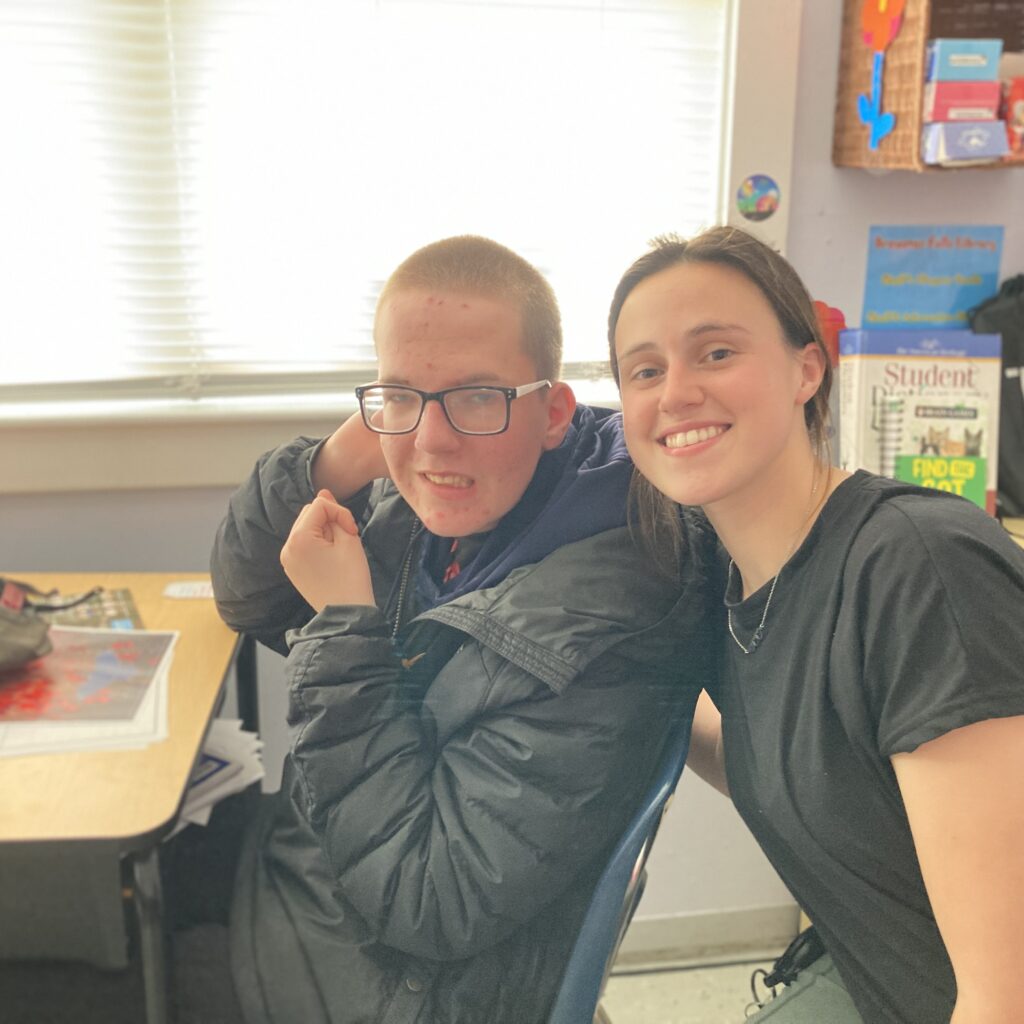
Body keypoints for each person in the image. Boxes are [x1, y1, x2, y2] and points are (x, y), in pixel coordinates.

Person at [207, 235, 716, 1024]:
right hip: (329, 872)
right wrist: (346, 458)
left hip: (416, 983)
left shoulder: (604, 619)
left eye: (478, 397)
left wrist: (346, 626)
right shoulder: (438, 508)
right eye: (401, 395)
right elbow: (244, 591)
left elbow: (429, 901)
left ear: (552, 413)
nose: (435, 443)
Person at [607, 225, 1024, 1024]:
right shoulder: (728, 582)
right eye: (645, 371)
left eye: (717, 353)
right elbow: (819, 774)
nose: (677, 393)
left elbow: (1005, 997)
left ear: (807, 368)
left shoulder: (918, 570)